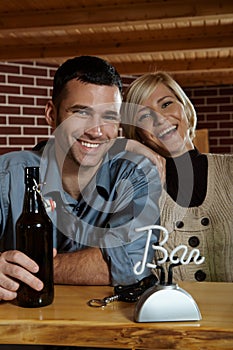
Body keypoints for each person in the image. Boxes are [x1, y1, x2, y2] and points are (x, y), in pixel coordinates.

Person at [0, 56, 162, 305]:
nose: (96, 131)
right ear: (51, 114)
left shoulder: (134, 173)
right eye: (80, 113)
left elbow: (132, 263)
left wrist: (32, 268)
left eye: (109, 116)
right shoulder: (7, 174)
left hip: (109, 334)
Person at [122, 71, 233, 283]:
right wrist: (124, 145)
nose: (160, 119)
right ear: (137, 133)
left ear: (185, 107)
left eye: (166, 104)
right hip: (163, 315)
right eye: (145, 116)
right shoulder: (137, 187)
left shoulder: (230, 169)